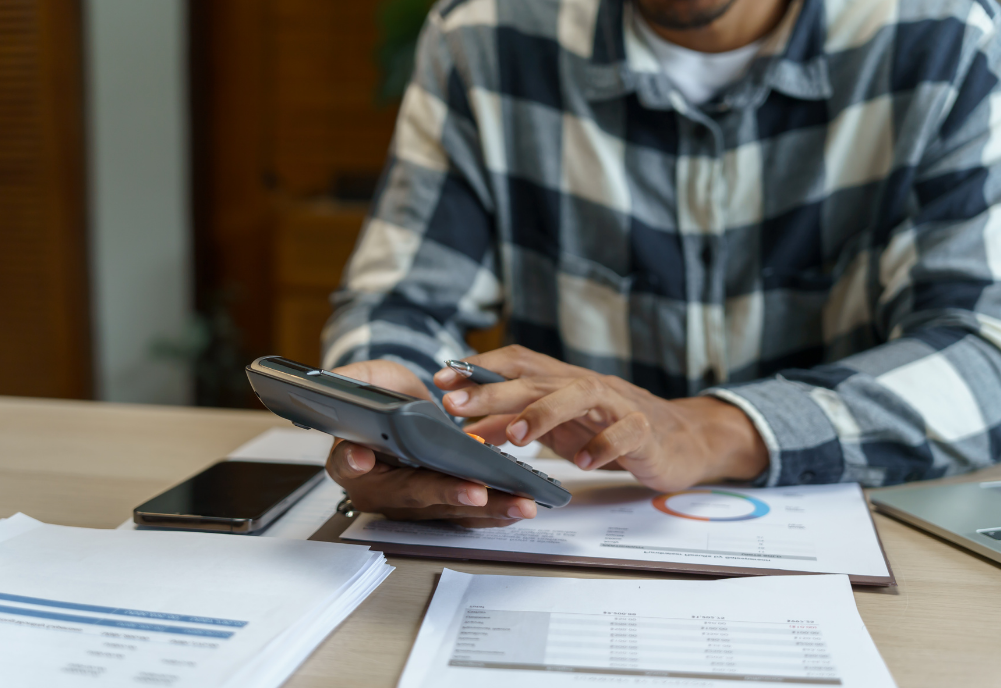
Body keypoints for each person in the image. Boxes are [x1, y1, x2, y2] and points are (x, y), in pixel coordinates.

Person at [319, 0, 1001, 527]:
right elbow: (402, 307)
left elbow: (984, 353)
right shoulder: (485, 35)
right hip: (564, 539)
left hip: (878, 545)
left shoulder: (946, 36)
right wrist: (399, 430)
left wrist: (710, 430)